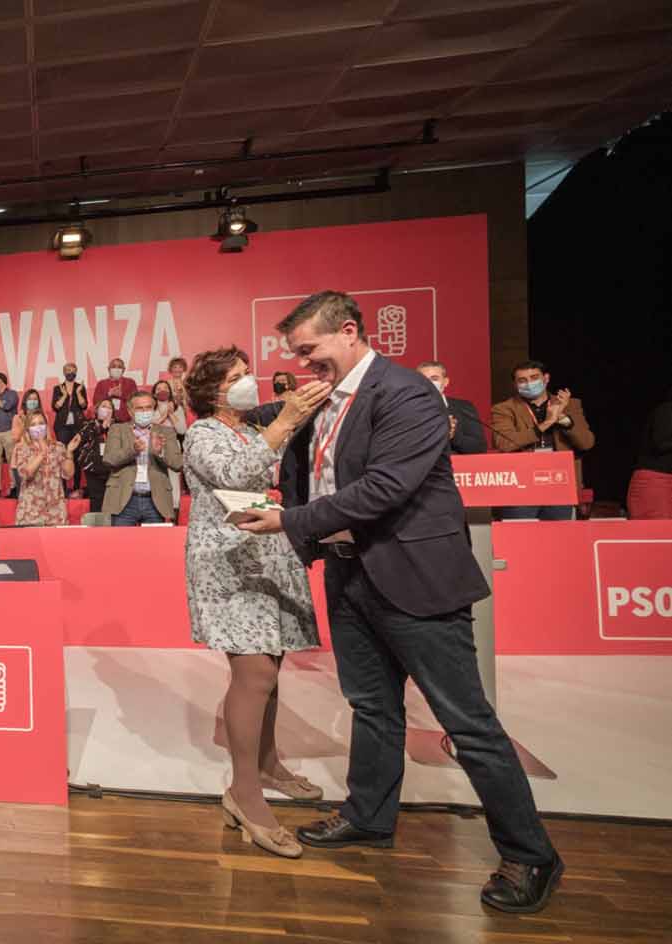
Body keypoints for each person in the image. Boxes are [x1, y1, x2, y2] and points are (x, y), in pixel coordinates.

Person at [237, 290, 562, 913]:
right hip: (348, 572)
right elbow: (317, 471)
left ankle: (531, 855)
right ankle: (369, 815)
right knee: (371, 706)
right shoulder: (326, 400)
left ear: (351, 331)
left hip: (415, 575)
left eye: (311, 350)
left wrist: (290, 521)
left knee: (467, 724)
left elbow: (385, 489)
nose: (305, 364)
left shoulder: (407, 393)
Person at [182, 346, 332, 858]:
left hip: (266, 557)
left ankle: (267, 765)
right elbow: (238, 477)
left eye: (249, 373)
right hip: (230, 567)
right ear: (212, 392)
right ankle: (244, 794)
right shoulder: (203, 434)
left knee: (271, 668)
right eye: (239, 377)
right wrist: (285, 420)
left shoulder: (248, 430)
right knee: (254, 676)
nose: (251, 382)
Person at [490, 360, 595, 519]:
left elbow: (586, 442)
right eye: (522, 380)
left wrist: (562, 418)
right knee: (520, 539)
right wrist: (546, 423)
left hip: (559, 483)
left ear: (546, 379)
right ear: (515, 384)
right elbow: (505, 443)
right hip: (521, 487)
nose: (529, 383)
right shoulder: (503, 409)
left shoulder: (570, 405)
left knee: (558, 539)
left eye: (534, 378)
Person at [102, 391, 181, 525]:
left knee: (155, 545)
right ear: (130, 411)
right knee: (121, 545)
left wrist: (160, 452)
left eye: (149, 407)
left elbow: (178, 464)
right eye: (140, 408)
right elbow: (109, 459)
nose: (145, 411)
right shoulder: (117, 429)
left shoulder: (166, 432)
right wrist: (133, 450)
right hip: (124, 500)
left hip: (155, 501)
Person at [12, 411, 74, 527]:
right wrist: (42, 453)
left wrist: (69, 452)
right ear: (28, 429)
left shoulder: (58, 446)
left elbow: (68, 474)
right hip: (30, 513)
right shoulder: (21, 448)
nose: (38, 427)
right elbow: (26, 473)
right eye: (33, 424)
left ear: (46, 426)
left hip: (56, 512)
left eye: (41, 423)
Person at [418, 361, 485, 455]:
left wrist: (453, 436)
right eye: (423, 379)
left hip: (458, 467)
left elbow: (479, 448)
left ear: (446, 382)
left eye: (434, 379)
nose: (429, 383)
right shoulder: (404, 409)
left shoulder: (463, 408)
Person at [628, 388, 672, 519]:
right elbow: (661, 442)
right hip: (656, 483)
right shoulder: (667, 410)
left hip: (664, 482)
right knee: (658, 535)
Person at [51, 363, 88, 494]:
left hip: (77, 426)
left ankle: (77, 487)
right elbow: (55, 407)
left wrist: (78, 394)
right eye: (67, 370)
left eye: (73, 370)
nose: (70, 372)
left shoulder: (80, 387)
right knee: (62, 455)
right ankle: (63, 487)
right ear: (63, 372)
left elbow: (84, 405)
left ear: (76, 372)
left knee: (76, 455)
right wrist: (65, 395)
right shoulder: (58, 388)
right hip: (62, 427)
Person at [77, 402, 115, 512]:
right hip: (93, 468)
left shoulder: (117, 427)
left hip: (112, 469)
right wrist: (102, 428)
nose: (107, 409)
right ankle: (97, 527)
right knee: (96, 500)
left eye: (109, 407)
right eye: (103, 406)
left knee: (112, 500)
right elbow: (83, 443)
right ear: (97, 410)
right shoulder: (88, 425)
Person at [153, 379, 187, 500]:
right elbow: (150, 427)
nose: (162, 391)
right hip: (155, 445)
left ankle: (174, 508)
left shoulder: (177, 409)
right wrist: (163, 416)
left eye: (165, 389)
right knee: (156, 476)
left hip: (173, 444)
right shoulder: (150, 409)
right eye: (159, 389)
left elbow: (182, 430)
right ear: (154, 393)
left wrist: (171, 414)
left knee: (173, 479)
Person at [93, 357, 138, 423]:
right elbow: (96, 402)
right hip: (105, 420)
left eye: (119, 367)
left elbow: (135, 401)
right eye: (113, 366)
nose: (116, 369)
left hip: (125, 421)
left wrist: (122, 395)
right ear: (109, 369)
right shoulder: (101, 383)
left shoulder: (130, 382)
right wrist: (108, 394)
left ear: (123, 370)